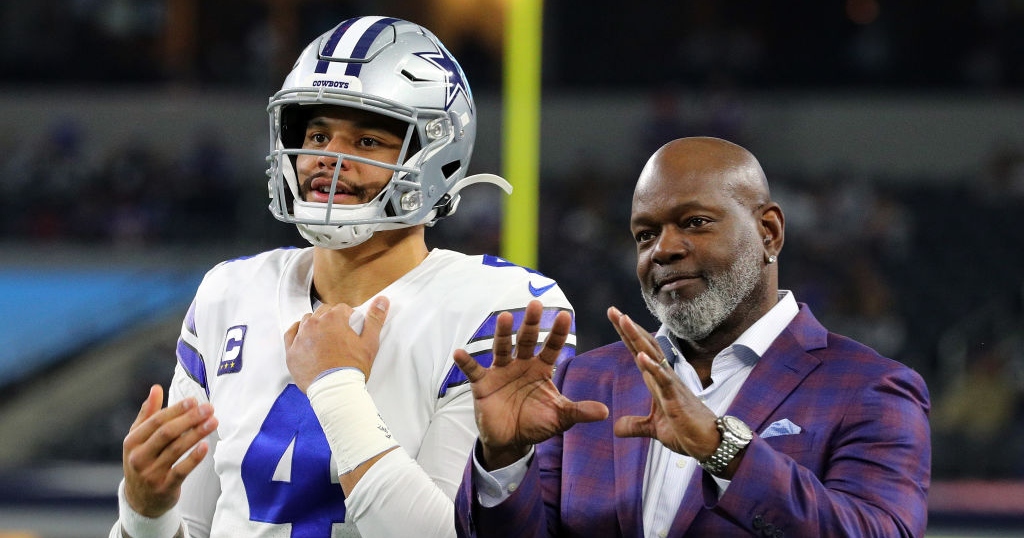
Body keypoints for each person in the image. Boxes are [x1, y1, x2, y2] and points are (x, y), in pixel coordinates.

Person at [110, 16, 575, 538]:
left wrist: (334, 385)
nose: (330, 159)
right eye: (317, 134)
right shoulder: (230, 293)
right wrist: (145, 512)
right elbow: (191, 528)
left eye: (369, 140)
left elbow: (452, 533)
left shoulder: (498, 306)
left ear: (436, 155)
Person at [452, 137, 931, 537]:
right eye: (644, 234)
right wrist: (506, 459)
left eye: (694, 222)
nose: (663, 250)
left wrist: (725, 451)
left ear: (769, 232)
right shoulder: (585, 382)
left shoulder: (870, 388)